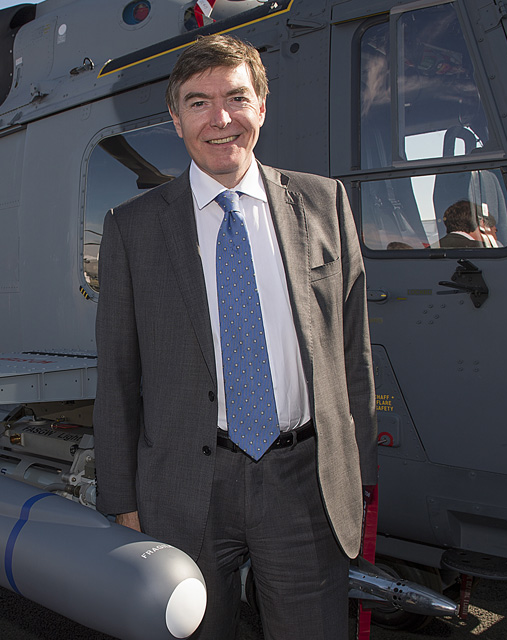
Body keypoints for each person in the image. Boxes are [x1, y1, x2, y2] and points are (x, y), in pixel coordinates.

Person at [94, 34, 377, 639]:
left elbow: (351, 350)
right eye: (198, 102)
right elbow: (118, 375)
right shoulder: (132, 229)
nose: (220, 120)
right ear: (175, 119)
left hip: (302, 481)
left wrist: (355, 467)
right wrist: (120, 495)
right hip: (183, 486)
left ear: (262, 107)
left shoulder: (325, 204)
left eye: (236, 98)